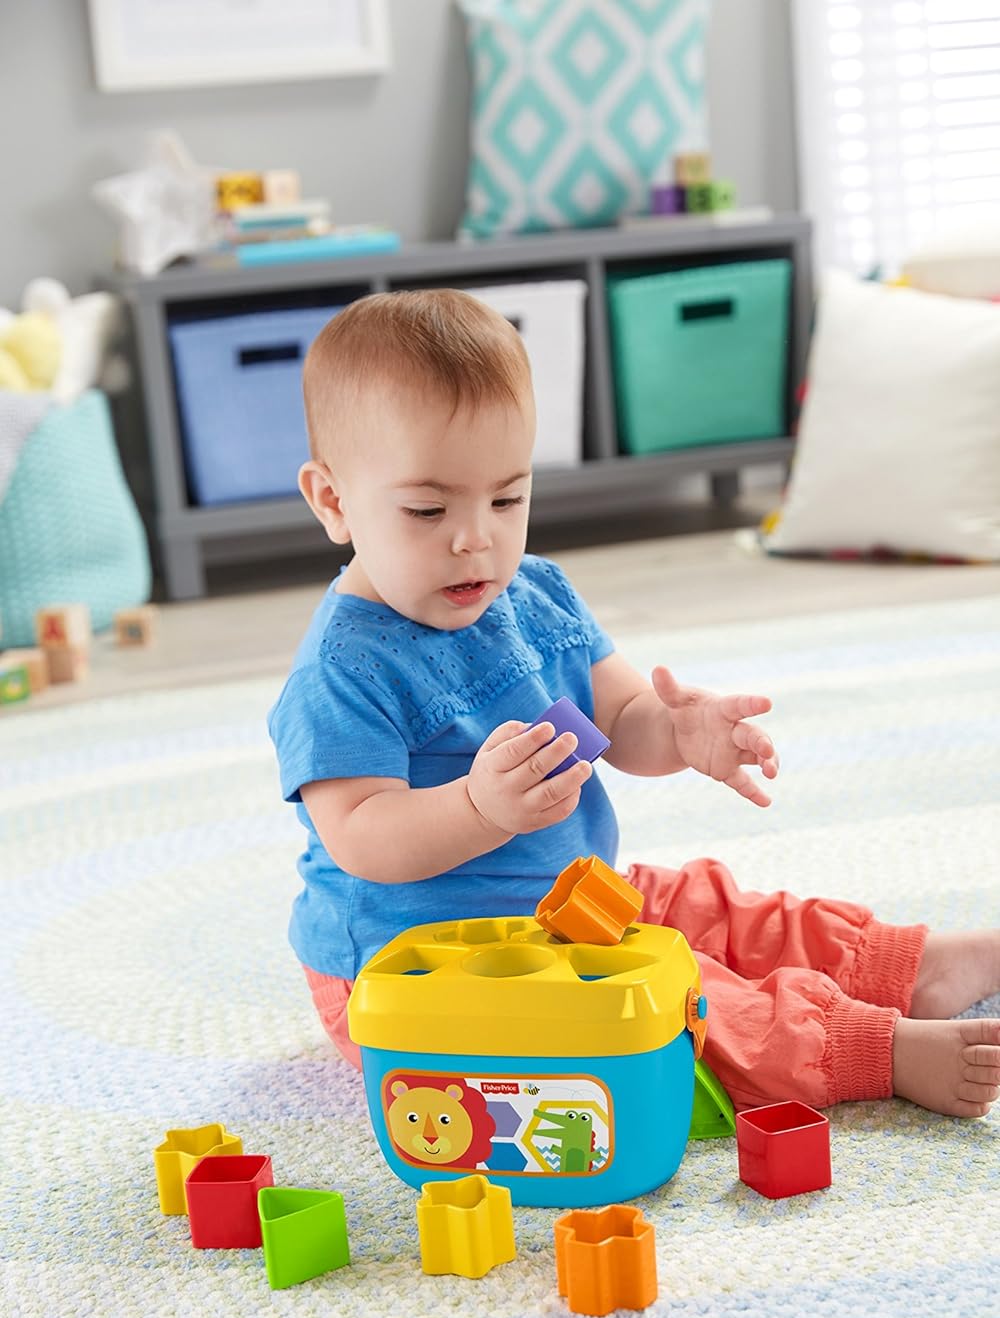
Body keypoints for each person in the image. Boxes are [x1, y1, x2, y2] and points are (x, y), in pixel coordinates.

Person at [268, 289, 1000, 1119]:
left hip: (574, 896)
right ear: (333, 501)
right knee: (669, 1006)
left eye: (506, 499)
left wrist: (681, 731)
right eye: (428, 510)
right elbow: (361, 834)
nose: (476, 538)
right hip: (422, 972)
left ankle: (911, 967)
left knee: (711, 908)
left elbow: (618, 722)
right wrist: (478, 807)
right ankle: (873, 1049)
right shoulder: (343, 669)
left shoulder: (534, 595)